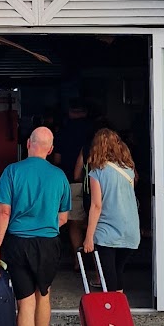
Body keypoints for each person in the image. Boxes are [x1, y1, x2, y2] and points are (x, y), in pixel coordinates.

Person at [0, 126, 71, 326]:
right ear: (50, 149)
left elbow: (3, 213)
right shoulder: (59, 176)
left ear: (28, 143)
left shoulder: (12, 171)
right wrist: (44, 228)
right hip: (48, 244)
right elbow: (63, 218)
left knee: (25, 302)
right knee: (43, 294)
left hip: (18, 243)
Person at [82, 127, 140, 292]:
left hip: (108, 231)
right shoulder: (129, 170)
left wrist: (89, 237)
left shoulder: (96, 173)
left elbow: (96, 205)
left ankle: (112, 311)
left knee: (108, 275)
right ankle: (119, 308)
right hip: (130, 230)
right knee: (118, 271)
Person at [53, 100, 95, 259]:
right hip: (96, 183)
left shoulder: (62, 133)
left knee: (75, 223)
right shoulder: (93, 133)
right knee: (96, 220)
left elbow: (57, 160)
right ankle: (95, 259)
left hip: (71, 182)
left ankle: (79, 261)